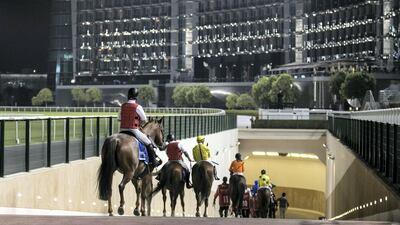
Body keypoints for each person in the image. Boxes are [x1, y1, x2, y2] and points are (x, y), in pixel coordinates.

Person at [119, 88, 160, 166]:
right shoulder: (138, 107)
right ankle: (153, 162)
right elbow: (144, 119)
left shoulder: (122, 106)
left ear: (128, 95)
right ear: (136, 96)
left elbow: (119, 119)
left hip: (122, 130)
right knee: (148, 143)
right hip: (134, 130)